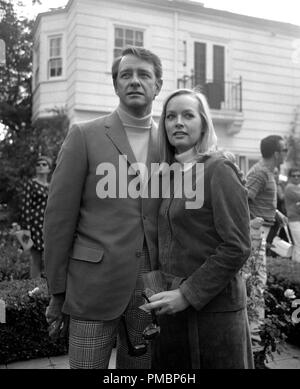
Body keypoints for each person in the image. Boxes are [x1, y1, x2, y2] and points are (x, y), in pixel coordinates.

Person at [43, 47, 163, 369]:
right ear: (116, 85)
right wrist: (57, 290)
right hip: (92, 284)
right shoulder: (84, 135)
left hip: (150, 285)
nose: (135, 81)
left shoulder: (170, 140)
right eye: (126, 75)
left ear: (158, 85)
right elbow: (58, 219)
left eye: (144, 75)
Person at [144, 88, 253, 369]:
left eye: (187, 115)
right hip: (172, 314)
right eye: (170, 116)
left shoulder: (220, 169)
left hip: (214, 314)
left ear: (203, 123)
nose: (177, 122)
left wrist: (187, 293)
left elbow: (237, 246)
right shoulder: (170, 174)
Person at [245, 135, 287, 338]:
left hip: (263, 233)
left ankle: (255, 334)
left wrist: (276, 213)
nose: (286, 153)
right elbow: (242, 200)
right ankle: (254, 338)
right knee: (255, 282)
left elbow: (258, 199)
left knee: (257, 281)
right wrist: (253, 226)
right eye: (285, 150)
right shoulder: (260, 172)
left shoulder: (270, 172)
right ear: (277, 153)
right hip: (255, 234)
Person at [20, 155, 52, 278]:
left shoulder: (51, 186)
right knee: (35, 259)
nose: (40, 166)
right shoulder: (31, 184)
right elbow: (26, 207)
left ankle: (47, 290)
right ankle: (34, 289)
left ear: (49, 169)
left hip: (49, 226)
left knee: (50, 259)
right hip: (34, 226)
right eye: (38, 164)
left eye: (44, 164)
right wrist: (26, 231)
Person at [284, 167, 300, 263]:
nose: (296, 177)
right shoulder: (290, 187)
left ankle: (294, 268)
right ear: (289, 177)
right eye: (294, 176)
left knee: (297, 245)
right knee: (299, 245)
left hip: (297, 219)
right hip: (295, 220)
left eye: (298, 175)